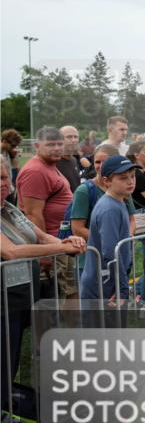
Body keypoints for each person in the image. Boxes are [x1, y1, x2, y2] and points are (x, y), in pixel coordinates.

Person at [1, 155, 86, 408]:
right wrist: (61, 249)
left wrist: (66, 242)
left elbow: (38, 236)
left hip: (20, 293)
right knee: (4, 359)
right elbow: (11, 252)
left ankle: (10, 414)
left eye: (4, 177)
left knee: (12, 356)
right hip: (4, 299)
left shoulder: (10, 208)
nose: (2, 183)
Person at [16, 127, 76, 298]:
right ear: (36, 145)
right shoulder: (35, 171)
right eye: (50, 144)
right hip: (51, 244)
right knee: (59, 296)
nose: (57, 148)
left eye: (59, 144)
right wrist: (45, 254)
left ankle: (71, 324)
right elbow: (33, 214)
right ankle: (64, 325)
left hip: (60, 241)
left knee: (68, 292)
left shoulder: (49, 165)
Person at [81, 155, 136, 303]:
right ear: (107, 181)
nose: (130, 181)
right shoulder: (109, 209)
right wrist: (122, 288)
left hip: (110, 280)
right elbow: (111, 253)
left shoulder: (119, 201)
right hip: (103, 284)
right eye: (123, 178)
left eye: (132, 176)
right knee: (105, 326)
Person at [70, 144, 137, 241]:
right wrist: (110, 240)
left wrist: (126, 238)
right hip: (94, 252)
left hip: (120, 250)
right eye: (97, 162)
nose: (101, 166)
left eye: (106, 161)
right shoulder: (84, 190)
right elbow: (77, 229)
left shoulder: (122, 187)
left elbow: (131, 220)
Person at [56, 125, 83, 193]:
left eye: (76, 137)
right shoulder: (53, 162)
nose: (74, 140)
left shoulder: (74, 160)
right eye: (69, 137)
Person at [1, 129, 23, 205]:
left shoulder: (8, 151)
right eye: (13, 145)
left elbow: (16, 169)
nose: (14, 148)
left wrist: (13, 156)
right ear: (4, 142)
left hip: (9, 189)